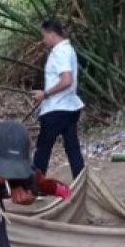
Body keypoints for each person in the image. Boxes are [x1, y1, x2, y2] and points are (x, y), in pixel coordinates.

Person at [31, 20, 85, 179]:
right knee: (72, 148)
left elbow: (66, 80)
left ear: (51, 34)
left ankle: (36, 186)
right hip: (69, 107)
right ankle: (81, 181)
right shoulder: (68, 50)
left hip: (57, 108)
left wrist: (45, 94)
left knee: (43, 148)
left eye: (44, 36)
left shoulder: (59, 52)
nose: (43, 40)